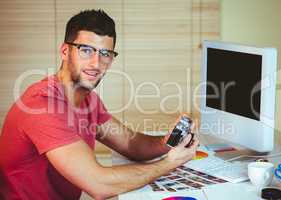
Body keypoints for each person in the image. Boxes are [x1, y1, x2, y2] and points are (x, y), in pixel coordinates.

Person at [0, 9, 199, 200]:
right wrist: (170, 163)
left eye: (105, 53)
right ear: (65, 51)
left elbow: (132, 144)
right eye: (86, 50)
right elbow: (98, 185)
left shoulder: (89, 101)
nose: (96, 63)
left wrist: (168, 141)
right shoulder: (42, 105)